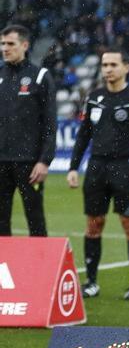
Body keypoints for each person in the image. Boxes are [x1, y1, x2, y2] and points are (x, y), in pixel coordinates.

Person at [66, 50, 129, 301]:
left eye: (113, 64)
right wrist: (73, 167)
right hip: (96, 167)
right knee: (94, 224)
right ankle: (91, 282)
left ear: (126, 67)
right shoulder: (94, 97)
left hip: (125, 168)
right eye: (105, 65)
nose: (108, 69)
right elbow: (83, 134)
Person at [0, 24, 56, 238]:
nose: (5, 48)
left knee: (35, 217)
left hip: (29, 162)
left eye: (10, 44)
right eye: (3, 44)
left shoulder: (40, 76)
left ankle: (41, 269)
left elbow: (50, 123)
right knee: (0, 220)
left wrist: (44, 160)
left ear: (24, 45)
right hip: (1, 161)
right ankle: (3, 269)